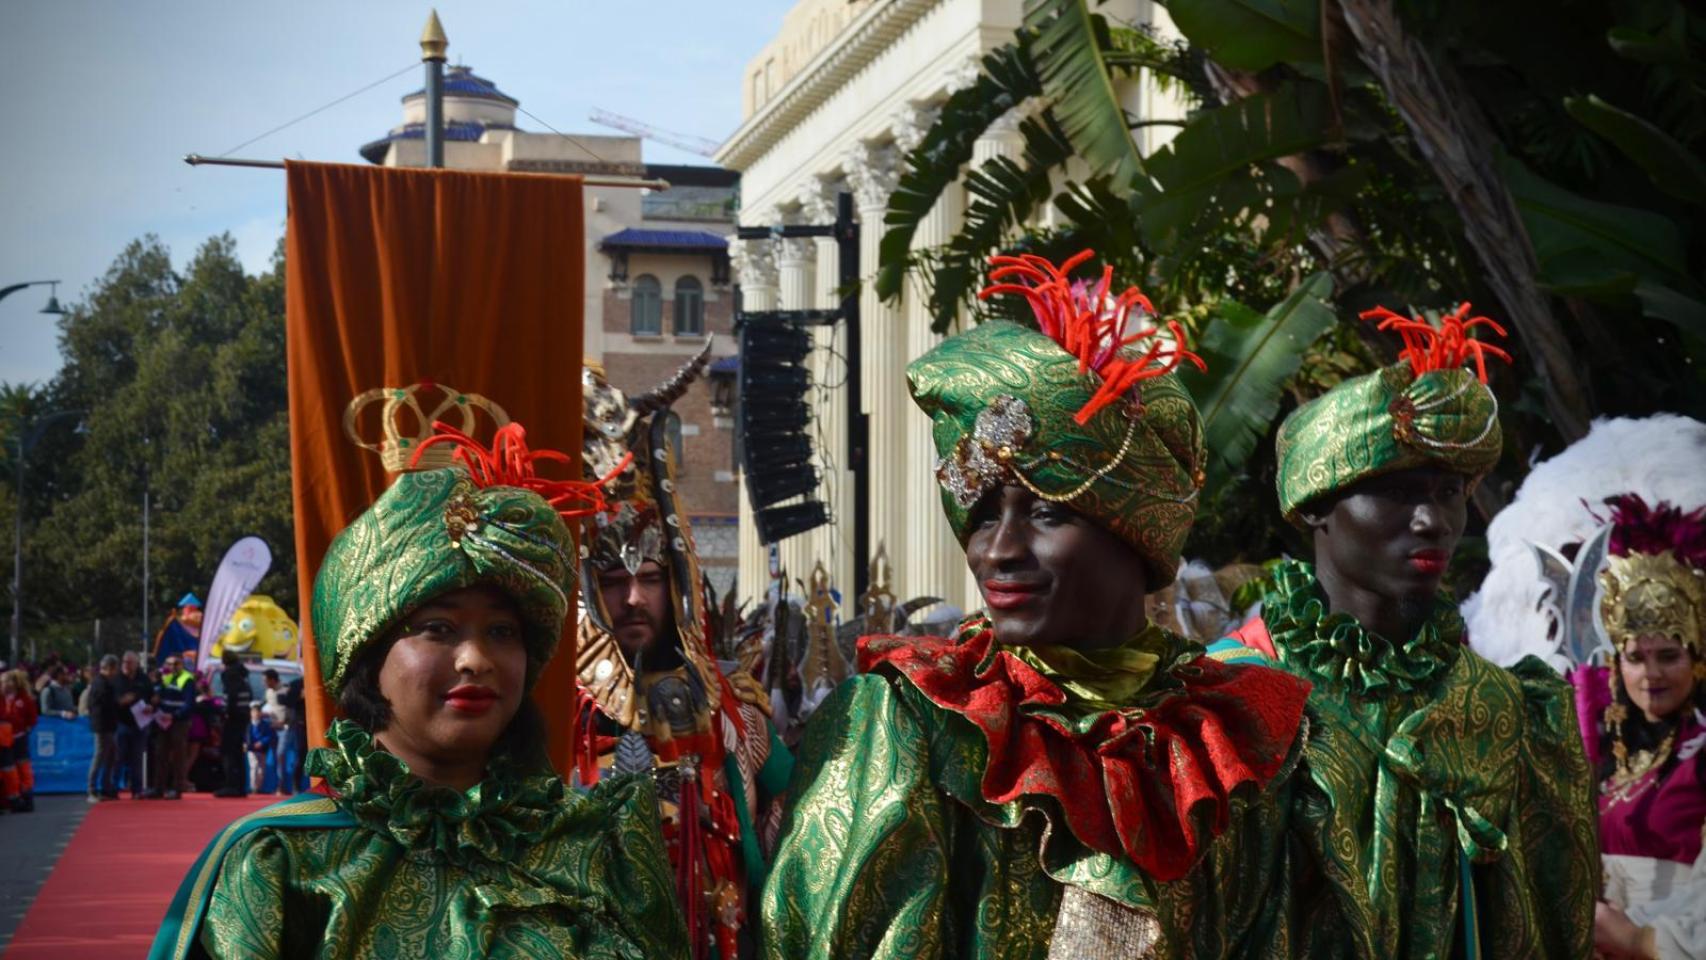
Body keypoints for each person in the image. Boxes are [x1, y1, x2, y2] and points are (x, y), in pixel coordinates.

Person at [762, 252, 1314, 957]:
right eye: (982, 515)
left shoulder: (1246, 737)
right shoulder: (913, 723)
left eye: (1048, 514)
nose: (998, 550)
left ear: (1137, 536)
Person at [149, 421, 687, 960]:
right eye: (438, 630)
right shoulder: (281, 862)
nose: (476, 659)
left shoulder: (597, 845)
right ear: (369, 656)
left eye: (502, 633)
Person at [1209, 302, 1599, 956]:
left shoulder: (1506, 706)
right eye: (1395, 491)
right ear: (1317, 508)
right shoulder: (1229, 699)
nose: (1432, 520)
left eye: (1449, 492)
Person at [576, 358, 793, 959]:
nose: (634, 598)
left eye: (648, 577)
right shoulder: (563, 713)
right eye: (613, 582)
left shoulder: (733, 701)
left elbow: (800, 817)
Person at [1562, 496, 1706, 960]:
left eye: (1669, 656)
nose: (1651, 676)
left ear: (1698, 660)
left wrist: (1642, 941)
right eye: (1636, 658)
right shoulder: (1612, 757)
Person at [114, 650, 157, 799]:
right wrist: (121, 701)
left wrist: (151, 706)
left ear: (136, 664)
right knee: (118, 757)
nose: (126, 665)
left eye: (129, 662)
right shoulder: (116, 679)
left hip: (140, 723)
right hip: (121, 723)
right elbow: (110, 701)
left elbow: (152, 697)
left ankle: (137, 790)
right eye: (124, 662)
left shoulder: (143, 679)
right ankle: (113, 789)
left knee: (137, 758)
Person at [211, 650, 251, 798]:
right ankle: (240, 786)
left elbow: (230, 696)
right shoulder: (243, 673)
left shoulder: (230, 674)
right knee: (238, 752)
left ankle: (231, 785)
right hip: (243, 716)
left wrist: (225, 712)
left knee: (228, 751)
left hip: (233, 718)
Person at [156, 655, 196, 798]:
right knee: (161, 754)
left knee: (179, 756)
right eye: (170, 664)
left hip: (179, 722)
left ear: (181, 665)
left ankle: (177, 789)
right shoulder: (165, 678)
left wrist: (174, 715)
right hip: (163, 721)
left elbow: (189, 704)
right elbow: (161, 697)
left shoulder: (187, 679)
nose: (172, 667)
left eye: (176, 664)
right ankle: (158, 788)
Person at [1, 669, 39, 812]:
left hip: (18, 737)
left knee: (23, 769)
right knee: (9, 771)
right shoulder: (2, 698)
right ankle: (11, 799)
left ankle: (26, 797)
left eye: (6, 681)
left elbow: (32, 718)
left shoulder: (24, 699)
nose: (3, 684)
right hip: (3, 740)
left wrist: (25, 729)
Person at [86, 654, 121, 801]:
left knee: (111, 757)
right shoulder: (100, 683)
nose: (116, 672)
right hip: (102, 726)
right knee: (99, 757)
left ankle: (106, 787)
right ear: (110, 668)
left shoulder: (105, 682)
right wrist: (119, 702)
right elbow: (102, 705)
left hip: (109, 725)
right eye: (115, 669)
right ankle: (91, 790)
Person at [243, 703, 276, 794]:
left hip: (262, 750)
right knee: (254, 767)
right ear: (251, 713)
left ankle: (258, 787)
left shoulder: (265, 725)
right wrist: (246, 744)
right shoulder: (248, 725)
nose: (256, 714)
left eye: (258, 712)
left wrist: (261, 742)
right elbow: (245, 736)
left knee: (261, 770)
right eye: (254, 712)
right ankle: (253, 788)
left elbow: (269, 736)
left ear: (260, 713)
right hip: (251, 750)